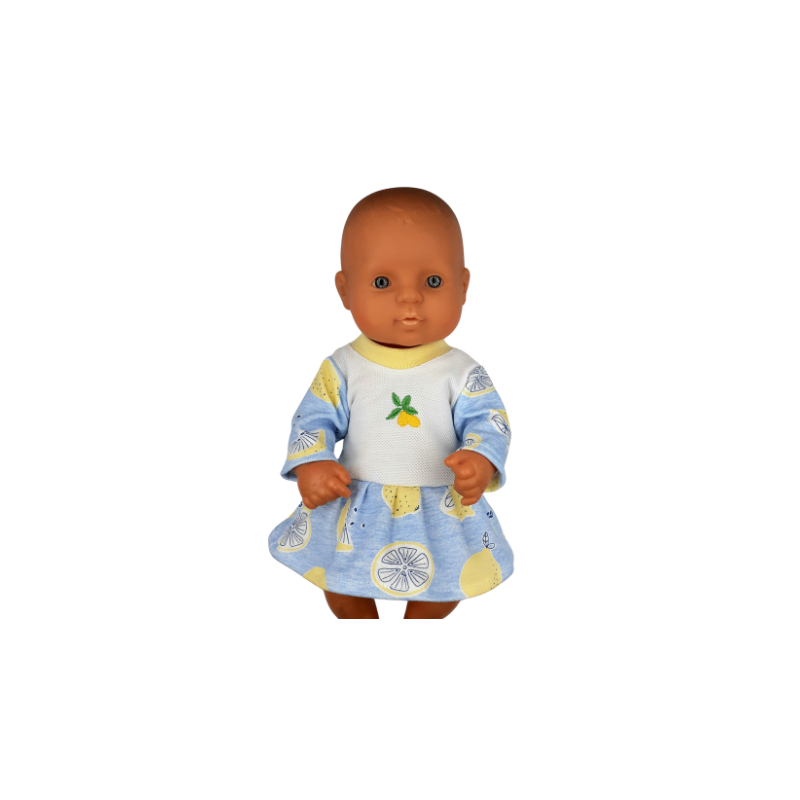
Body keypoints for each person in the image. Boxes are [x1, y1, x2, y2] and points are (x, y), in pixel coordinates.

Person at [268, 187, 513, 619]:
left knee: (448, 583)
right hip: (355, 502)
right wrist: (313, 462)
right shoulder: (343, 367)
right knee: (338, 583)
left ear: (463, 286)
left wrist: (481, 458)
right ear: (345, 290)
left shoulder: (461, 371)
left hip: (438, 505)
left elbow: (489, 421)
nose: (410, 297)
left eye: (432, 281)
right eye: (382, 282)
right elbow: (313, 419)